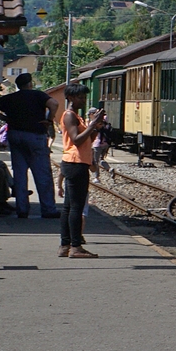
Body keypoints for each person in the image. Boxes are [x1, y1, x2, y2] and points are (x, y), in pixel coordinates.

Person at [0, 72, 61, 219]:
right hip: (35, 135)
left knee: (20, 174)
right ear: (30, 84)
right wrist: (49, 119)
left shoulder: (10, 98)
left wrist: (5, 118)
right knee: (42, 173)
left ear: (18, 85)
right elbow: (54, 103)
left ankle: (22, 209)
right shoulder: (38, 95)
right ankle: (48, 209)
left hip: (15, 135)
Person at [57, 83, 106, 258]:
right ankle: (76, 247)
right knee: (76, 207)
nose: (83, 100)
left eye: (84, 97)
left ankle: (65, 245)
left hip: (76, 163)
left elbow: (87, 140)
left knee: (69, 207)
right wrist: (92, 125)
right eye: (80, 97)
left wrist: (95, 128)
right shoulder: (69, 116)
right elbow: (76, 140)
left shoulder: (76, 117)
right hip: (75, 164)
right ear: (70, 98)